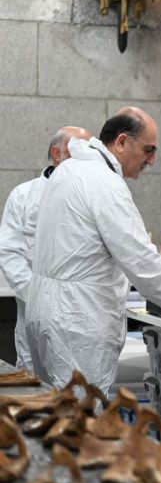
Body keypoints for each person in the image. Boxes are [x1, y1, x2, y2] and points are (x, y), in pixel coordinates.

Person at [25, 108, 161, 394]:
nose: (152, 160)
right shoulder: (104, 183)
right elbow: (143, 263)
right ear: (121, 142)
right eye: (149, 149)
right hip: (77, 321)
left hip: (47, 313)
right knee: (84, 421)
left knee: (58, 419)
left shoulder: (68, 171)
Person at [0, 126, 93, 372]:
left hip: (82, 318)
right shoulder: (24, 195)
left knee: (79, 392)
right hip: (35, 314)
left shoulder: (93, 195)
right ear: (57, 153)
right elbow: (9, 252)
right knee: (36, 388)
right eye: (78, 151)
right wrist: (38, 297)